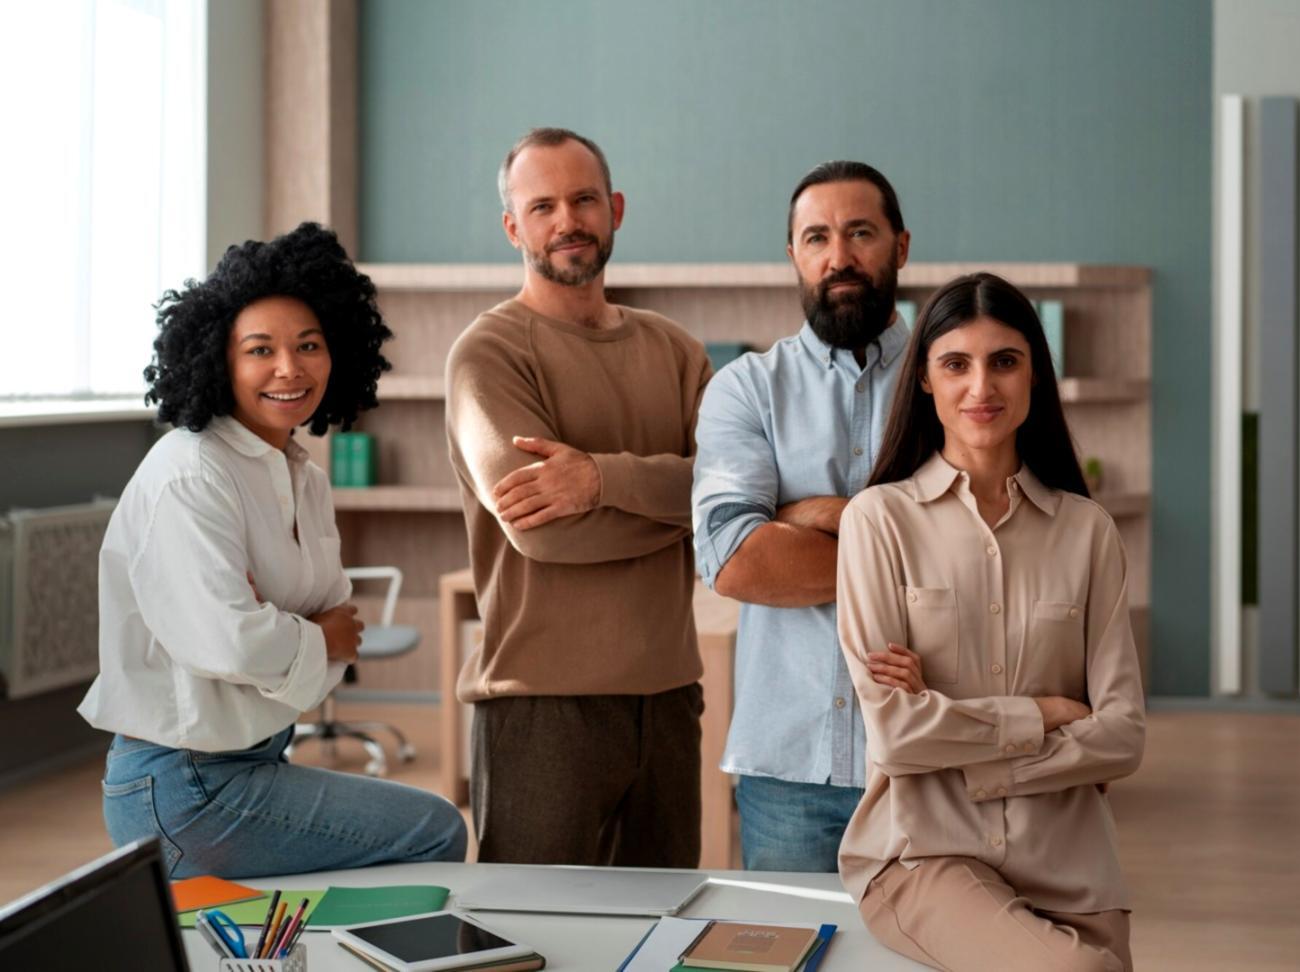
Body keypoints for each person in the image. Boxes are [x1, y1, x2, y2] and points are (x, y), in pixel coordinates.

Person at [79, 222, 468, 878]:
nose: (290, 368)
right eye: (261, 349)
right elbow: (235, 641)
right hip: (183, 786)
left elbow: (332, 616)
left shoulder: (301, 473)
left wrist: (294, 632)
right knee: (435, 830)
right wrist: (311, 635)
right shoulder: (190, 471)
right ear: (218, 359)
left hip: (249, 761)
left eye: (309, 346)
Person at [835, 272, 1145, 971]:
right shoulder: (878, 522)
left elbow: (1123, 735)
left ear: (1035, 374)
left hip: (1075, 866)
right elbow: (896, 733)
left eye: (1004, 361)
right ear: (924, 380)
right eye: (956, 364)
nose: (982, 388)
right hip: (924, 855)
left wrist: (963, 743)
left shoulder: (1088, 531)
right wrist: (1046, 713)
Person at [445, 128, 711, 867]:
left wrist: (600, 481)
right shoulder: (487, 354)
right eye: (543, 206)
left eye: (584, 199)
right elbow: (545, 533)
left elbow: (737, 494)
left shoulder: (676, 350)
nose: (568, 220)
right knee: (532, 940)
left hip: (668, 700)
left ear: (615, 208)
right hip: (540, 707)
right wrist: (681, 500)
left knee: (662, 930)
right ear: (513, 226)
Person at [691, 161, 911, 870]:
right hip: (789, 768)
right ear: (793, 255)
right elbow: (734, 561)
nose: (839, 257)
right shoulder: (745, 390)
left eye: (860, 233)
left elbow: (982, 549)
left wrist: (808, 516)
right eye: (817, 237)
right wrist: (903, 546)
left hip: (930, 754)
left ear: (900, 247)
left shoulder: (952, 383)